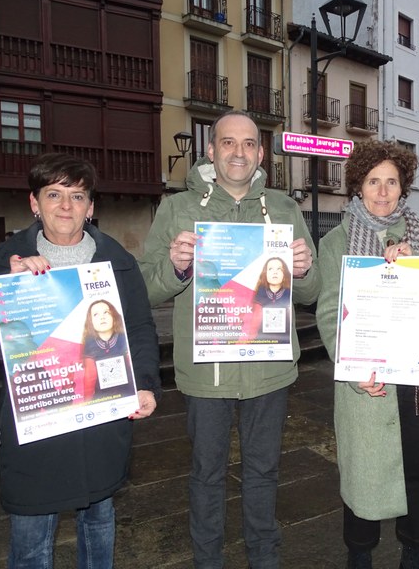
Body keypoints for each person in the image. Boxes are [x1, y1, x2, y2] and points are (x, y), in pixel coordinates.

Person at [0, 152, 161, 569]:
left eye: (78, 196)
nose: (66, 206)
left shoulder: (117, 262)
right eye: (54, 194)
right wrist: (5, 289)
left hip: (100, 422)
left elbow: (138, 329)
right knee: (31, 538)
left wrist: (146, 384)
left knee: (99, 523)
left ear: (91, 207)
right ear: (35, 203)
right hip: (38, 427)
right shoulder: (4, 259)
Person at [139, 111, 320, 569]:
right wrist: (178, 268)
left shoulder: (284, 208)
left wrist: (304, 270)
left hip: (269, 370)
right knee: (206, 475)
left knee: (264, 472)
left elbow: (316, 292)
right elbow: (144, 289)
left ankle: (265, 559)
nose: (238, 152)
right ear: (212, 150)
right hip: (206, 372)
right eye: (227, 143)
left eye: (248, 144)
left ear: (261, 153)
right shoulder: (177, 209)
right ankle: (208, 562)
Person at [315, 140, 419, 569]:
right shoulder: (336, 241)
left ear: (403, 188)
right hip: (367, 378)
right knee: (363, 472)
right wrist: (351, 367)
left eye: (392, 182)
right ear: (358, 187)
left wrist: (416, 264)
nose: (383, 192)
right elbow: (329, 312)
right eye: (373, 181)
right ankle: (359, 551)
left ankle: (413, 547)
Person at [81, 299, 136, 402]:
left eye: (106, 312)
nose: (102, 317)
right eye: (96, 314)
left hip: (129, 394)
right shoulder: (89, 344)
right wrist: (87, 403)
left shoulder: (124, 338)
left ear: (114, 316)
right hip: (102, 398)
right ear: (90, 321)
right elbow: (89, 377)